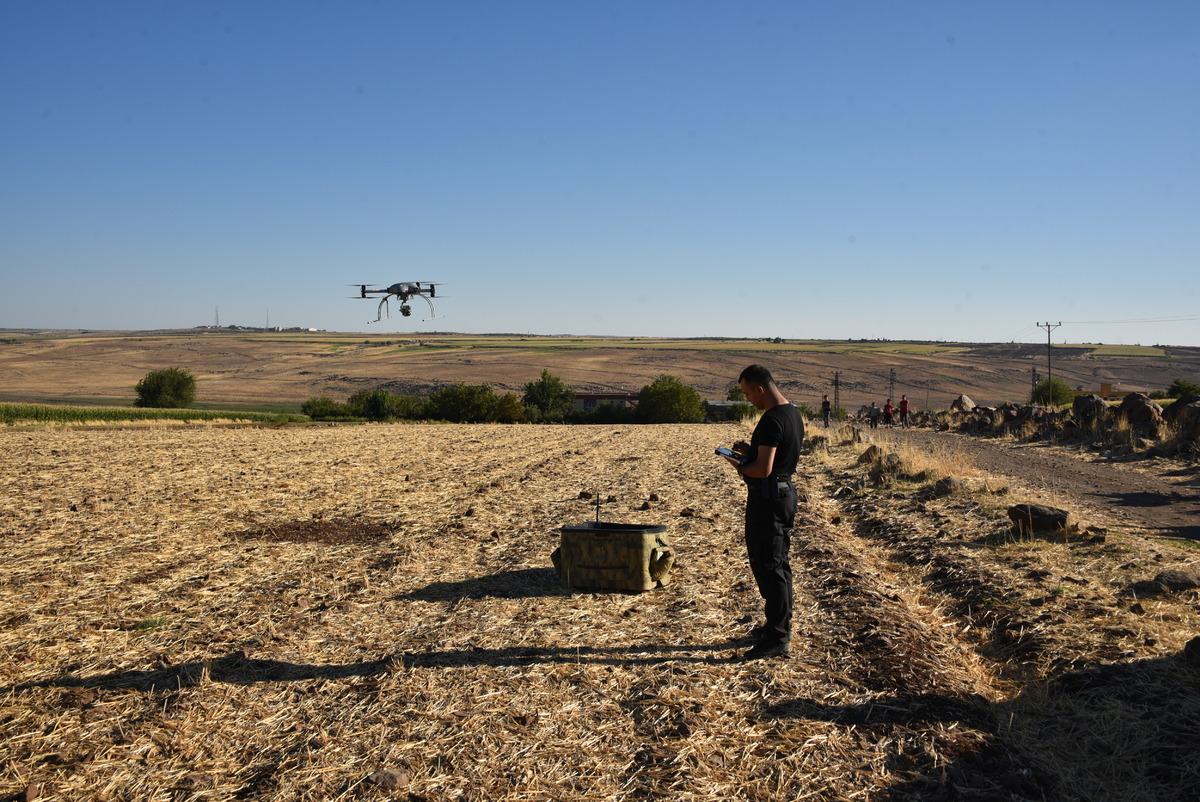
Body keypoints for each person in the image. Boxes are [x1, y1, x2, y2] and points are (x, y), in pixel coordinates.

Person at [720, 364, 804, 660]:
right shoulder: (792, 414)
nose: (748, 399)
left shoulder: (771, 420)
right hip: (783, 494)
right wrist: (751, 450)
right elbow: (777, 457)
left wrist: (739, 464)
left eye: (747, 393)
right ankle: (777, 626)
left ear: (760, 388)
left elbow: (762, 470)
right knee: (779, 563)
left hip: (768, 500)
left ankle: (777, 638)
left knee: (769, 566)